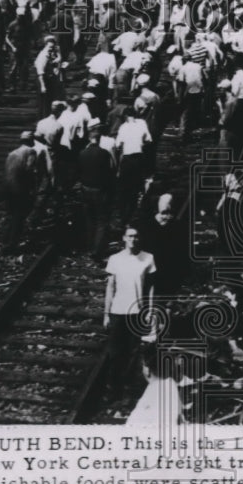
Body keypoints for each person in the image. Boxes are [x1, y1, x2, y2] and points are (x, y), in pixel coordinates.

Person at [102, 226, 156, 402]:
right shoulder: (115, 259)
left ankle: (128, 391)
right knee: (115, 353)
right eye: (130, 236)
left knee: (133, 353)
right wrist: (106, 313)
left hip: (137, 312)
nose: (133, 239)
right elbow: (110, 287)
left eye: (136, 236)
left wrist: (149, 309)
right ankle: (113, 389)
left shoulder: (148, 258)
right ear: (124, 238)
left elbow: (151, 287)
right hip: (118, 310)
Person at [76, 120, 115, 259]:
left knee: (89, 219)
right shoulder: (104, 154)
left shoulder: (82, 153)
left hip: (85, 189)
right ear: (99, 140)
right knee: (101, 220)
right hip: (100, 190)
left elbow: (79, 172)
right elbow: (110, 173)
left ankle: (89, 246)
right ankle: (97, 251)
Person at [3, 131, 38, 252]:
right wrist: (32, 188)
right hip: (21, 188)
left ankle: (5, 239)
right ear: (30, 140)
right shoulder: (31, 152)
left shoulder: (12, 153)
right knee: (19, 216)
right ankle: (12, 244)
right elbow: (29, 170)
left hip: (8, 187)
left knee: (11, 214)